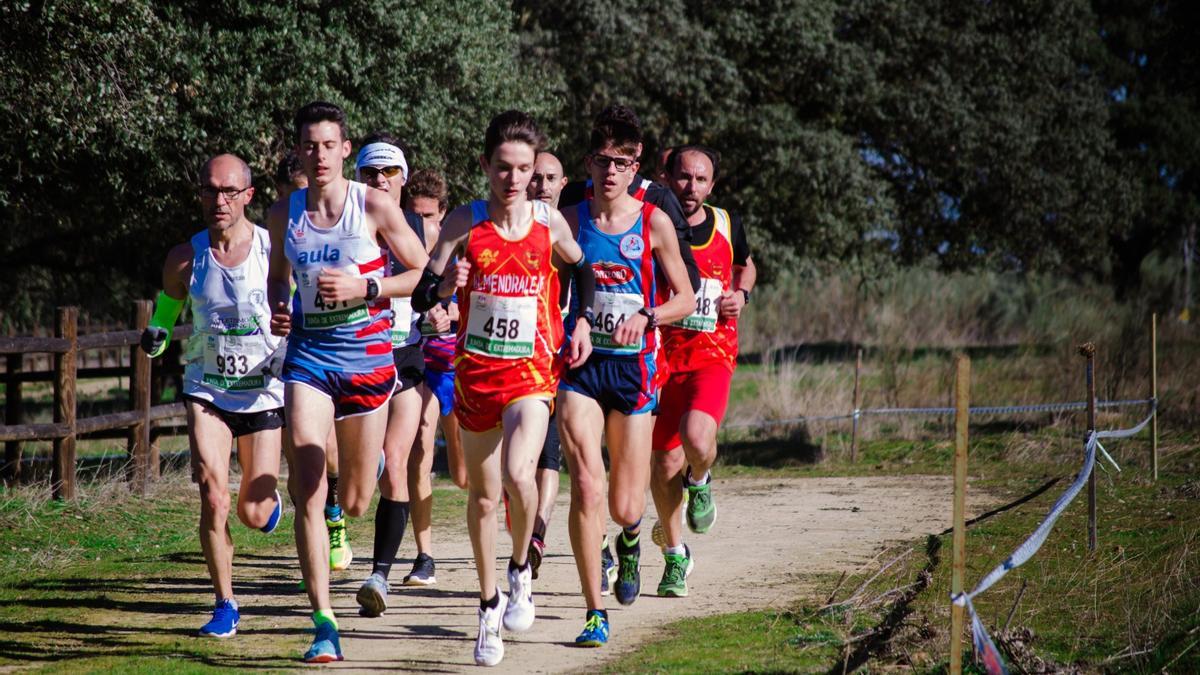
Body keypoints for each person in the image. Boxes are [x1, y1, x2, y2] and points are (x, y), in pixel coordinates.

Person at [411, 110, 596, 667]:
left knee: (522, 473)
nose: (513, 179)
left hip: (533, 373)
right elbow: (423, 293)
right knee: (484, 496)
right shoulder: (463, 224)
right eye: (502, 168)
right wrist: (445, 285)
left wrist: (582, 319)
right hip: (476, 376)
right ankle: (489, 605)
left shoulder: (549, 223)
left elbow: (583, 271)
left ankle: (521, 572)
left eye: (523, 168)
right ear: (486, 166)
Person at [266, 101, 428, 663]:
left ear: (344, 149)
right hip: (309, 359)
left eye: (329, 145)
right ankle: (324, 622)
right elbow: (277, 282)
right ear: (300, 151)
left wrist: (368, 290)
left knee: (357, 500)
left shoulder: (375, 206)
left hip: (367, 362)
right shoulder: (283, 212)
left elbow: (419, 271)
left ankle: (371, 466)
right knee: (307, 488)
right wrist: (279, 308)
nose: (319, 155)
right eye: (309, 145)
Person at [556, 107, 694, 647]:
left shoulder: (652, 221)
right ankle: (594, 611)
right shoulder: (570, 219)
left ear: (636, 167)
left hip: (635, 370)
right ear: (588, 163)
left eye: (622, 161)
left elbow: (683, 297)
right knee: (587, 487)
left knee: (624, 504)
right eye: (602, 160)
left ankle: (632, 537)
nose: (611, 170)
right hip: (582, 368)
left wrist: (648, 315)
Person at [140, 153, 285, 639]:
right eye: (208, 190)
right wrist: (158, 331)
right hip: (207, 388)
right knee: (211, 491)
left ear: (248, 195)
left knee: (252, 511)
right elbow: (168, 307)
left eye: (228, 191)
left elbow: (300, 305)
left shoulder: (273, 250)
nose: (217, 201)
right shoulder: (185, 256)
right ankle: (225, 603)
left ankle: (268, 506)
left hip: (263, 392)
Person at [650, 145, 757, 598]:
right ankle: (676, 557)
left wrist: (741, 295)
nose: (690, 187)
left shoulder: (727, 223)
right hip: (659, 359)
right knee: (663, 463)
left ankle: (701, 479)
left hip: (712, 355)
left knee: (696, 440)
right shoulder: (648, 221)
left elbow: (745, 266)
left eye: (700, 180)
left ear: (711, 185)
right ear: (666, 177)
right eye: (683, 178)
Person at [352, 133, 431, 617]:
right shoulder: (344, 225)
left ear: (403, 177)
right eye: (370, 173)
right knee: (353, 471)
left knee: (395, 457)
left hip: (406, 355)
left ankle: (379, 575)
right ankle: (339, 511)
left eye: (389, 173)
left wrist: (439, 312)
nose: (379, 181)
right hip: (357, 357)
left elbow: (434, 286)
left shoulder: (419, 227)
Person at [276, 152, 355, 574]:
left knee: (330, 454)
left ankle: (337, 510)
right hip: (286, 360)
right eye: (293, 196)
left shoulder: (335, 234)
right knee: (301, 463)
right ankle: (314, 519)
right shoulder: (275, 232)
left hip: (334, 353)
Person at [403, 168, 468, 587]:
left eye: (428, 215)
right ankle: (424, 554)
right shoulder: (400, 251)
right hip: (417, 365)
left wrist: (453, 312)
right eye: (414, 214)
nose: (420, 223)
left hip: (455, 366)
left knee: (463, 474)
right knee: (420, 448)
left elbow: (480, 304)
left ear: (442, 215)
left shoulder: (461, 254)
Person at [524, 151, 569, 581]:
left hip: (567, 356)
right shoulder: (513, 228)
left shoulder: (569, 228)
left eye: (549, 178)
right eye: (534, 177)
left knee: (552, 453)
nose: (540, 185)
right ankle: (530, 534)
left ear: (563, 183)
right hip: (522, 359)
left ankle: (538, 534)